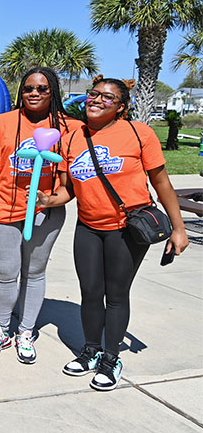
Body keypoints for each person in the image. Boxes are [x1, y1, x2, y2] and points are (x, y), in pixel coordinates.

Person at [37, 76, 189, 390]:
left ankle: (111, 358)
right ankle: (91, 350)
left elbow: (162, 183)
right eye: (93, 94)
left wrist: (178, 228)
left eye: (106, 97)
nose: (95, 100)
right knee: (90, 292)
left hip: (127, 228)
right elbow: (69, 189)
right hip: (88, 227)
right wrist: (51, 199)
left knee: (116, 295)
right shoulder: (73, 137)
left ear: (121, 107)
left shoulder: (138, 133)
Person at [0, 67, 82, 364]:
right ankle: (1, 327)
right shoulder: (1, 123)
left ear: (53, 93)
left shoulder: (67, 127)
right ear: (20, 91)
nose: (34, 93)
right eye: (28, 88)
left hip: (43, 214)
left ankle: (26, 331)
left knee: (34, 273)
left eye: (42, 89)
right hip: (2, 209)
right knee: (5, 273)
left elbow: (68, 183)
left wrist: (50, 199)